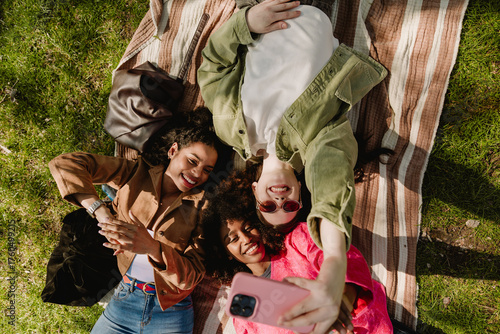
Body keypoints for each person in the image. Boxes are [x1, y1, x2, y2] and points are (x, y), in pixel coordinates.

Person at [197, 0, 387, 332]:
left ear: (254, 191)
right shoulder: (321, 139)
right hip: (311, 17)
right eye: (291, 204)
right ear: (301, 187)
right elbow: (332, 186)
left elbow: (214, 64)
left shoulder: (230, 131)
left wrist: (245, 22)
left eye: (268, 206)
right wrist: (333, 266)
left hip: (260, 18)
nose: (281, 198)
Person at [49, 108, 224, 333]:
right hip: (123, 302)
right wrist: (101, 212)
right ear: (173, 151)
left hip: (171, 313)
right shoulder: (135, 173)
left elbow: (191, 276)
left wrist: (152, 247)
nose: (197, 173)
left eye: (206, 169)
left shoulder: (203, 208)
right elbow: (65, 164)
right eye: (192, 161)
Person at [201, 171, 393, 334]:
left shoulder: (298, 240)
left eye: (249, 227)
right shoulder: (245, 304)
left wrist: (342, 302)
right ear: (225, 252)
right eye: (233, 239)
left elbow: (347, 261)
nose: (246, 239)